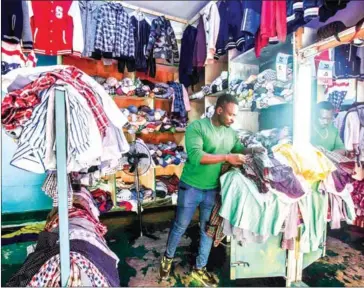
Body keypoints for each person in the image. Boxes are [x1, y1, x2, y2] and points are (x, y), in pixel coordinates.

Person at [159, 94, 262, 287]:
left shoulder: (230, 132)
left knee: (208, 229)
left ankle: (200, 268)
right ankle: (167, 259)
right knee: (180, 225)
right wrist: (226, 157)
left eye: (235, 116)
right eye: (231, 114)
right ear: (219, 110)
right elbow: (197, 156)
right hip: (190, 186)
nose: (233, 119)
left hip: (212, 189)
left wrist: (252, 150)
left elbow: (238, 148)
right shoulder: (197, 127)